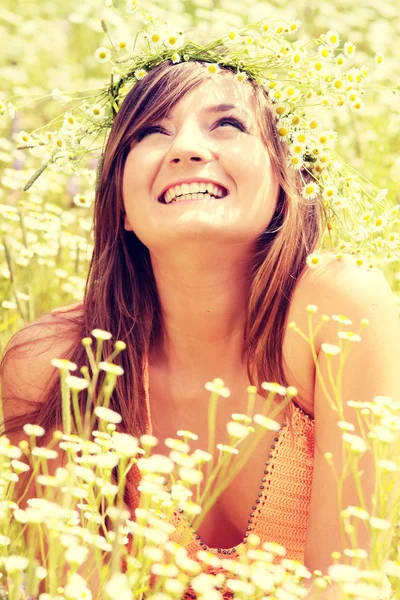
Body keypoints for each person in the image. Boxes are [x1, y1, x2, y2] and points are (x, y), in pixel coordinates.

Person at [1, 45, 399, 600]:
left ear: (290, 180)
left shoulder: (339, 310)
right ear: (118, 201)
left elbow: (350, 585)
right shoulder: (52, 368)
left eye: (227, 124)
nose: (186, 148)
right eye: (151, 132)